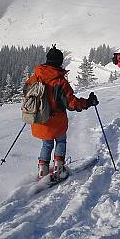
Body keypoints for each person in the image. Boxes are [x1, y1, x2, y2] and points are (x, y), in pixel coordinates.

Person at [24, 45, 99, 181]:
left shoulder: (35, 77)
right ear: (59, 62)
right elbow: (72, 104)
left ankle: (43, 171)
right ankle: (59, 168)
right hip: (56, 121)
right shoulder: (60, 81)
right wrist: (88, 102)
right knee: (60, 141)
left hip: (38, 119)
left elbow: (26, 93)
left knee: (46, 144)